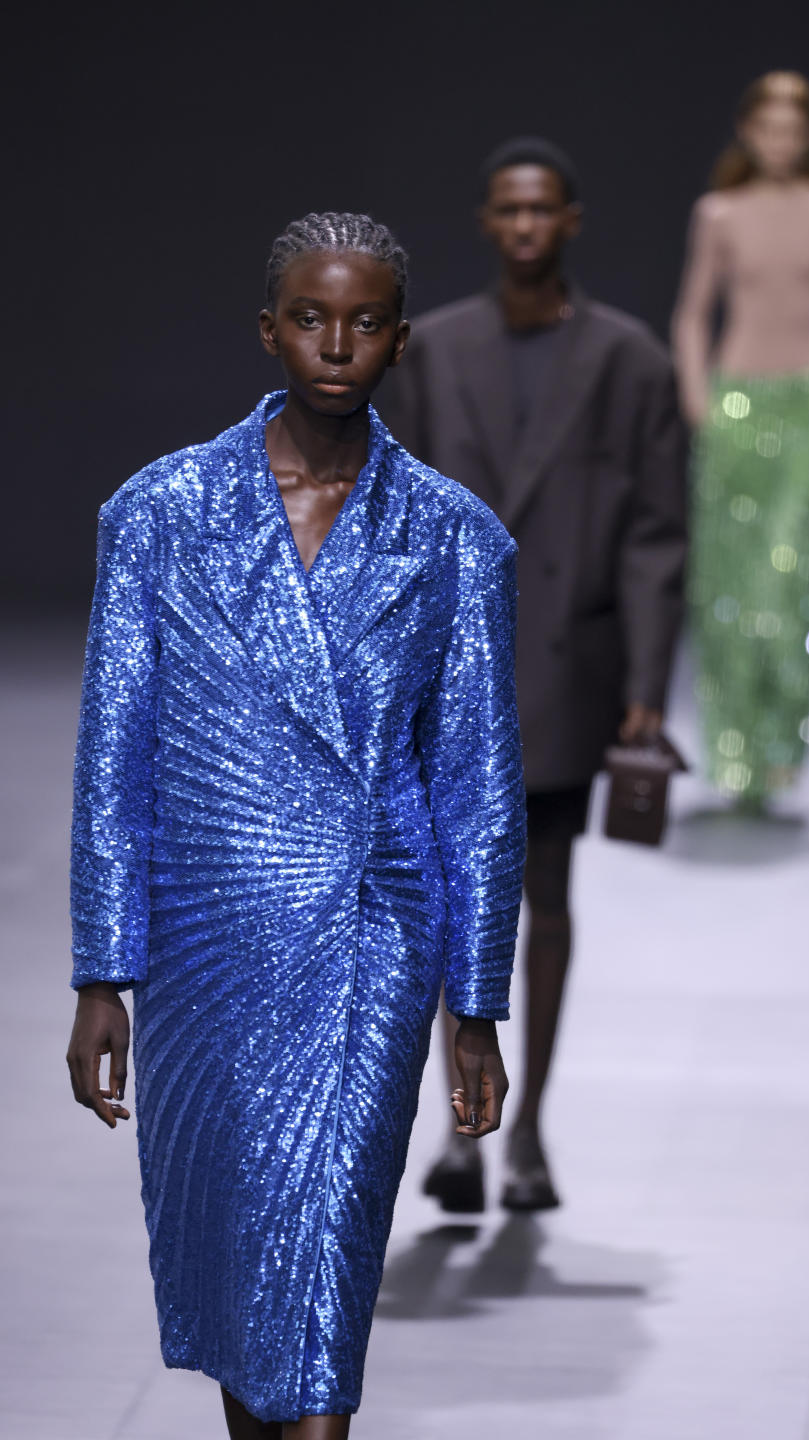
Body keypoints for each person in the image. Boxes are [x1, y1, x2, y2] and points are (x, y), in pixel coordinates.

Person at [65, 212, 526, 1438]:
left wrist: (473, 1005)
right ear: (268, 329)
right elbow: (113, 752)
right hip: (210, 947)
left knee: (326, 1276)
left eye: (365, 321)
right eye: (312, 318)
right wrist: (104, 972)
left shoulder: (453, 537)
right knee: (240, 1275)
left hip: (374, 935)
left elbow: (477, 784)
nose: (337, 344)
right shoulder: (161, 511)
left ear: (401, 341)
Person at [381, 138, 686, 1212]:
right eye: (507, 209)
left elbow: (658, 533)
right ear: (484, 221)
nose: (523, 227)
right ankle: (461, 1133)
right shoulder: (432, 354)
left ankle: (528, 1133)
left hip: (566, 667)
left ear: (571, 221)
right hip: (446, 675)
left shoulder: (631, 361)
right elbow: (391, 518)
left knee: (543, 904)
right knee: (445, 909)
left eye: (541, 210)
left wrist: (648, 679)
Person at [672, 71, 809, 805]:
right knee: (725, 589)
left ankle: (783, 734)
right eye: (768, 129)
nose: (780, 143)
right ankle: (733, 747)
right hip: (733, 409)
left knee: (784, 582)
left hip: (806, 412)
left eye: (794, 131)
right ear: (747, 132)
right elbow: (693, 311)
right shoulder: (719, 213)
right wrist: (700, 399)